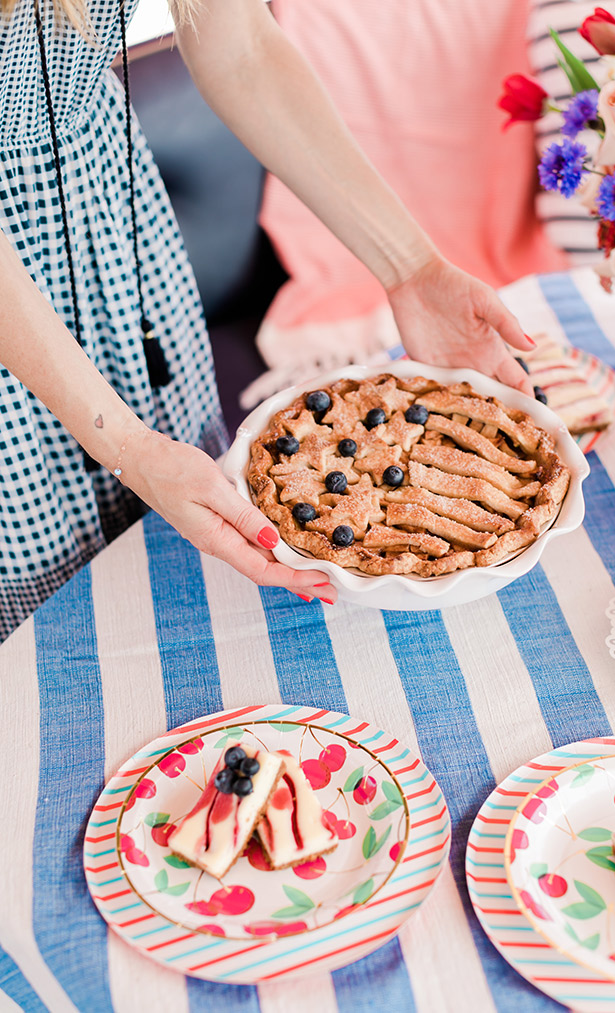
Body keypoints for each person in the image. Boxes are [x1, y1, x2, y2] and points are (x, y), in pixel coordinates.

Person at [0, 0, 534, 642]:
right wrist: (127, 448)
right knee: (45, 595)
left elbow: (242, 49)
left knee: (182, 560)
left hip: (112, 216)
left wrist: (412, 268)